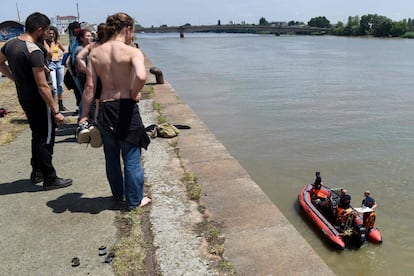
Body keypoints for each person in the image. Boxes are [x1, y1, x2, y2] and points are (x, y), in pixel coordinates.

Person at [80, 12, 151, 210]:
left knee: (111, 156)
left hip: (105, 107)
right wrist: (134, 92)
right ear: (127, 29)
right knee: (131, 155)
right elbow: (142, 76)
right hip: (125, 106)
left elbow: (90, 87)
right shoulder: (132, 51)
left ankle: (118, 195)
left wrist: (84, 115)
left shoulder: (95, 53)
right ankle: (135, 200)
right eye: (133, 31)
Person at [0, 12, 72, 190]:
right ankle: (50, 177)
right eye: (47, 31)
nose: (48, 34)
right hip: (39, 100)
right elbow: (43, 86)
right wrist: (55, 110)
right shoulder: (34, 51)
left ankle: (37, 171)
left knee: (37, 134)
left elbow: (0, 63)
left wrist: (15, 78)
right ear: (39, 29)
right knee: (46, 138)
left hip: (24, 96)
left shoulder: (11, 44)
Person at [44, 26, 67, 111]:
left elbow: (65, 50)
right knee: (54, 86)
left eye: (53, 34)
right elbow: (49, 53)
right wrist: (52, 43)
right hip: (51, 64)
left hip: (59, 64)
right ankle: (53, 104)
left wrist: (61, 56)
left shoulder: (57, 42)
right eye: (50, 33)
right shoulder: (45, 43)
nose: (51, 35)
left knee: (60, 85)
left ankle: (60, 103)